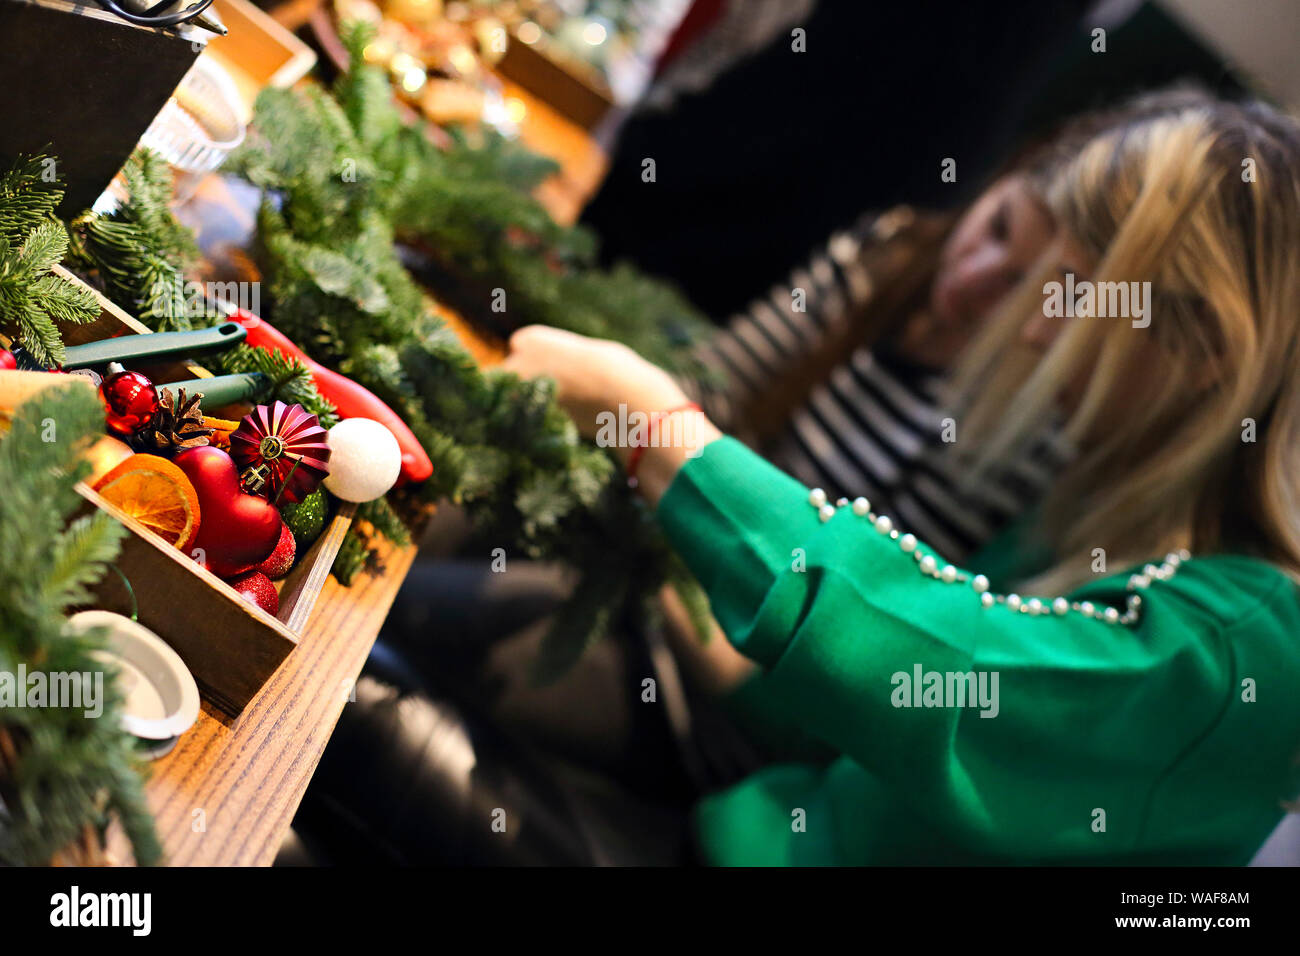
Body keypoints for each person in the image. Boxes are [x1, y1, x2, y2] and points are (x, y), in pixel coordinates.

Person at [298, 90, 1300, 865]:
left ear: (1204, 344)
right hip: (734, 819)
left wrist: (654, 427)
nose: (1033, 327)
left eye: (1077, 293)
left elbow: (948, 675)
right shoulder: (1090, 525)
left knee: (330, 709)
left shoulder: (1250, 644)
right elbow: (849, 715)